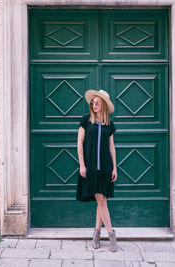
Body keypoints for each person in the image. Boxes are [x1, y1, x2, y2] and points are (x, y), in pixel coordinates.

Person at [76, 89, 118, 252]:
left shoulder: (109, 124)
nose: (94, 104)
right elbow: (79, 143)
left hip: (105, 168)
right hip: (91, 167)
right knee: (101, 200)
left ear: (104, 105)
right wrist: (82, 164)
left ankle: (96, 234)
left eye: (98, 102)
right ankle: (111, 234)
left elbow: (111, 146)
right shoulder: (86, 121)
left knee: (101, 201)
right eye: (92, 102)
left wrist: (114, 167)